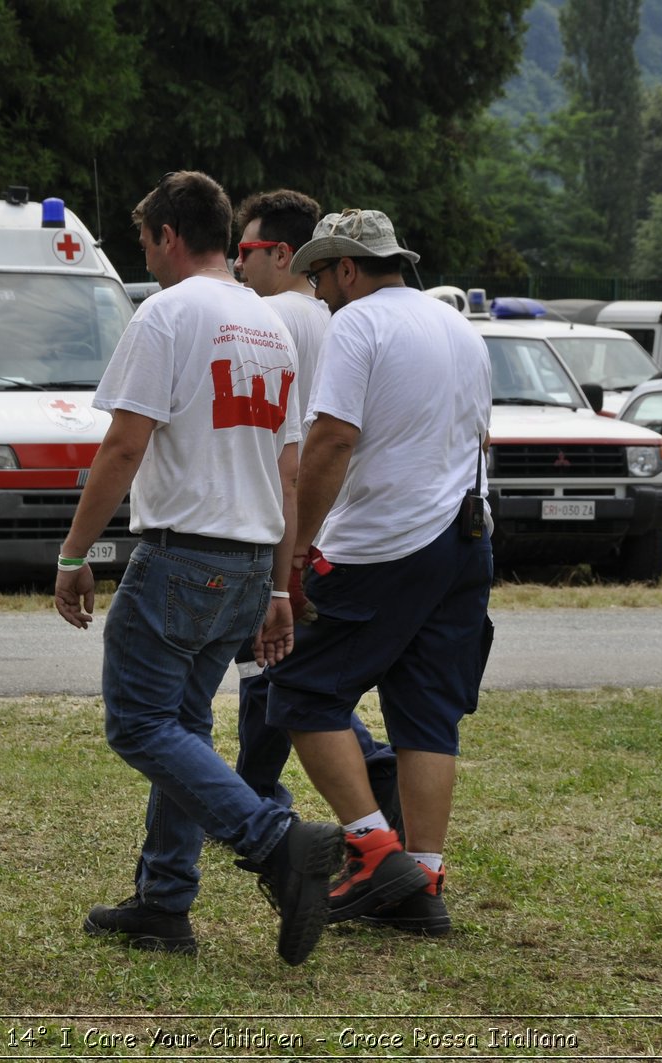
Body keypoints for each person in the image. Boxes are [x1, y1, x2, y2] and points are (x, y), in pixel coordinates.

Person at [54, 171, 344, 966]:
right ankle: (164, 901)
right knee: (182, 727)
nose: (146, 258)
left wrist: (74, 553)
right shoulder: (270, 326)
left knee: (140, 724)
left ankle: (277, 841)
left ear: (169, 237)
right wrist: (281, 583)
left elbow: (123, 445)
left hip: (184, 553)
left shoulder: (166, 315)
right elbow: (287, 470)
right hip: (251, 559)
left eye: (146, 242)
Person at [267, 208, 495, 939]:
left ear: (346, 268)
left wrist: (297, 549)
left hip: (386, 539)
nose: (319, 289)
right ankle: (422, 882)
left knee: (301, 688)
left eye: (321, 273)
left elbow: (332, 438)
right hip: (465, 535)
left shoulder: (357, 325)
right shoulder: (460, 328)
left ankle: (372, 849)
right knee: (427, 710)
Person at [230, 190, 402, 832]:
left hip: (282, 512)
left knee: (268, 661)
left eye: (245, 250)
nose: (237, 265)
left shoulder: (270, 316)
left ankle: (263, 797)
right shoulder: (339, 318)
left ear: (282, 253)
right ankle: (258, 795)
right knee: (275, 661)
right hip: (329, 512)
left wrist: (289, 544)